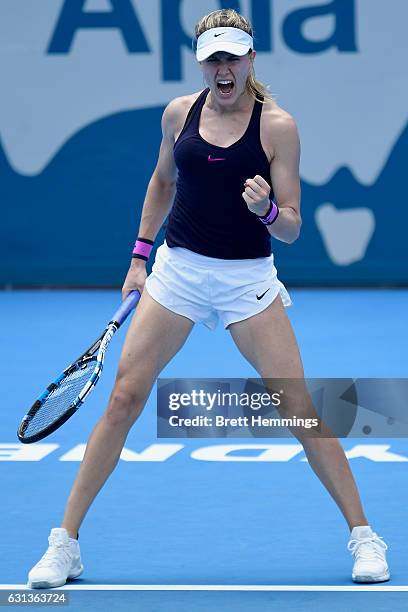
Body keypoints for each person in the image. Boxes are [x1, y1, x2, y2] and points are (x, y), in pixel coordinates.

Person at [27, 9, 389, 588]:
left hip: (247, 280)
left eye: (233, 57)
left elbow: (292, 226)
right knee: (122, 398)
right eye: (213, 58)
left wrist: (266, 210)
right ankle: (63, 544)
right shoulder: (179, 114)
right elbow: (162, 182)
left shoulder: (278, 127)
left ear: (251, 61)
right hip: (179, 274)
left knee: (297, 406)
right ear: (202, 63)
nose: (223, 68)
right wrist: (139, 259)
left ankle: (365, 537)